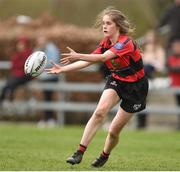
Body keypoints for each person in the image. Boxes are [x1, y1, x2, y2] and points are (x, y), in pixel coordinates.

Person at [46, 7, 149, 167]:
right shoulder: (106, 42)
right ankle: (79, 152)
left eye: (108, 23)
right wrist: (62, 69)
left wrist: (78, 55)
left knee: (113, 131)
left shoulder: (126, 43)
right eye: (103, 23)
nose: (104, 26)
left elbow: (102, 58)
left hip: (136, 88)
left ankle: (104, 155)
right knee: (100, 112)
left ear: (118, 26)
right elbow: (90, 60)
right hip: (117, 80)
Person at [136, 30, 165, 129]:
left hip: (151, 74)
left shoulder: (159, 49)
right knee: (140, 100)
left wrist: (152, 61)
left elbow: (160, 66)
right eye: (148, 36)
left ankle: (142, 123)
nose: (150, 39)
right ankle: (141, 123)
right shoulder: (142, 49)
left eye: (151, 36)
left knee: (147, 67)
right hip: (143, 75)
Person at [35, 35, 60, 128]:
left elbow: (53, 62)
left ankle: (50, 119)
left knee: (49, 97)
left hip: (52, 77)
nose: (40, 42)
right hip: (41, 78)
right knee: (43, 98)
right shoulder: (37, 49)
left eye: (42, 40)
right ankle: (45, 119)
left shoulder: (52, 49)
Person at [0, 36, 32, 104]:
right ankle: (6, 98)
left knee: (10, 83)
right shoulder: (18, 54)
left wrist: (18, 67)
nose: (20, 46)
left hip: (24, 75)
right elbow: (14, 64)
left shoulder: (28, 53)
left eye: (21, 44)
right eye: (19, 44)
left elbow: (23, 65)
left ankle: (8, 98)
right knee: (8, 84)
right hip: (17, 75)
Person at [167, 38, 180, 129]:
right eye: (175, 47)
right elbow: (171, 68)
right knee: (178, 106)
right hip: (175, 86)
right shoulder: (171, 58)